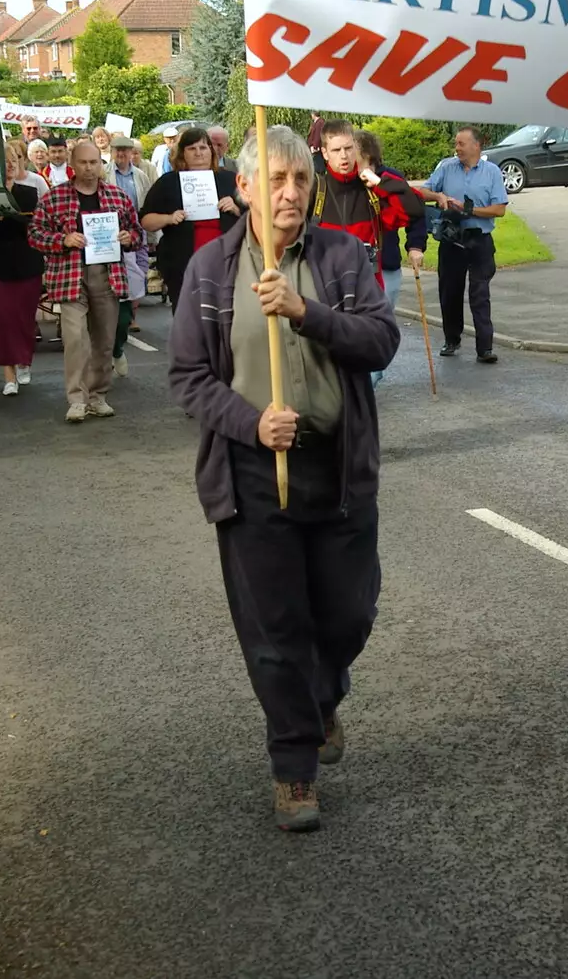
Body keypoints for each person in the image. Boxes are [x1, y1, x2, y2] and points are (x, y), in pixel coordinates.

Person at [168, 125, 399, 833]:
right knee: (275, 628)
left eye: (301, 179)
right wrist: (248, 423)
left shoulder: (342, 257)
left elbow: (380, 340)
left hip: (337, 466)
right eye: (274, 179)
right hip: (253, 472)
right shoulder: (210, 269)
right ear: (243, 190)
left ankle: (323, 695)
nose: (291, 191)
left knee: (348, 613)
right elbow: (187, 376)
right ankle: (293, 768)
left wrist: (309, 314)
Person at [29, 139, 143, 422]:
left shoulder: (117, 197)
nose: (89, 168)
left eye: (94, 162)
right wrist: (63, 239)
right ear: (72, 164)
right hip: (70, 275)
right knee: (76, 339)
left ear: (100, 164)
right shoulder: (54, 198)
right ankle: (77, 399)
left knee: (104, 340)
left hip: (108, 274)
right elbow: (34, 234)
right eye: (83, 162)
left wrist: (129, 238)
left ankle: (98, 396)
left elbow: (136, 231)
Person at [309, 120, 422, 384]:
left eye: (348, 148)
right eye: (336, 150)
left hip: (367, 294)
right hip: (325, 295)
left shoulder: (372, 191)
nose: (344, 156)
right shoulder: (315, 190)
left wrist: (379, 184)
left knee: (363, 377)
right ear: (324, 153)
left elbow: (414, 209)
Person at [416, 127, 509, 364]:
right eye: (456, 144)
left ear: (476, 146)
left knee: (479, 294)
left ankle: (485, 348)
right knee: (450, 291)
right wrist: (438, 197)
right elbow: (423, 190)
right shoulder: (446, 167)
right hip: (452, 238)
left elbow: (499, 209)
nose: (456, 148)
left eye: (461, 144)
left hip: (479, 239)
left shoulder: (492, 172)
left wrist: (468, 210)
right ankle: (451, 339)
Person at [140, 127, 241, 311]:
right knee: (188, 318)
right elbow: (146, 221)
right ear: (182, 154)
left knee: (226, 316)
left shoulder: (230, 179)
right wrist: (169, 218)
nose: (198, 153)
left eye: (203, 148)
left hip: (226, 263)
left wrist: (235, 207)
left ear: (211, 151)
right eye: (192, 149)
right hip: (183, 264)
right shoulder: (168, 182)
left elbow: (255, 216)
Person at [356, 128, 428, 383]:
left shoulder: (390, 179)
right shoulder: (346, 183)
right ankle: (365, 381)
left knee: (377, 326)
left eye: (352, 153)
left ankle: (372, 375)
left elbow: (416, 213)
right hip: (352, 270)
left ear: (367, 155)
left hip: (384, 266)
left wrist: (415, 245)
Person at [0, 141, 46, 397]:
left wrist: (8, 215)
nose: (8, 168)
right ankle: (9, 375)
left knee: (24, 318)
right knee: (3, 317)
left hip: (27, 265)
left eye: (13, 162)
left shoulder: (29, 193)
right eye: (3, 164)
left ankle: (24, 360)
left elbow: (33, 227)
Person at [107, 134, 156, 377]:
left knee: (132, 289)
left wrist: (149, 237)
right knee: (105, 300)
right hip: (105, 239)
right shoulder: (103, 173)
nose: (122, 154)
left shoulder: (140, 176)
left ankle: (119, 344)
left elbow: (146, 209)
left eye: (126, 150)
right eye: (117, 150)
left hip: (133, 235)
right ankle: (106, 354)